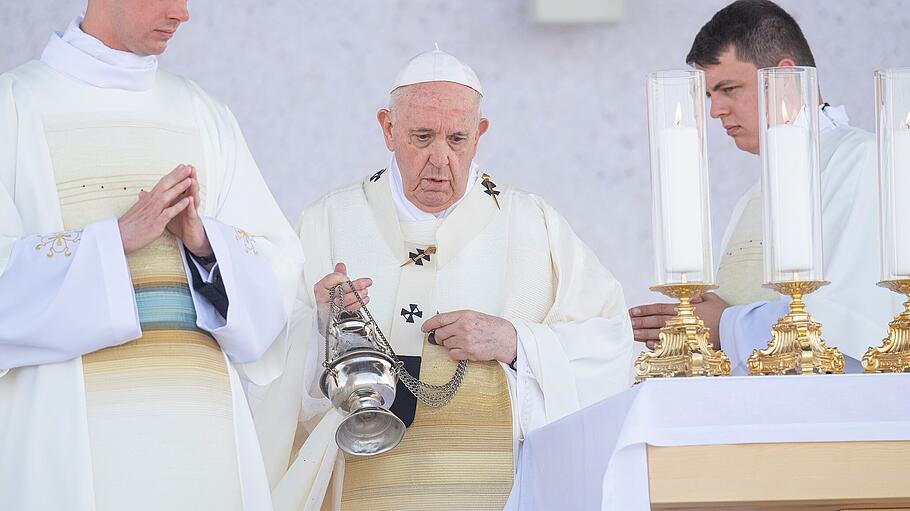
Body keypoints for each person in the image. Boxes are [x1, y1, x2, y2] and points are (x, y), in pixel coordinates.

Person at [257, 49, 634, 510]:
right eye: (422, 136)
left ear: (480, 134)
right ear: (387, 129)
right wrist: (317, 321)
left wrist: (517, 343)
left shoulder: (532, 223)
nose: (441, 160)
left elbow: (611, 343)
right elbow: (265, 359)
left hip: (498, 484)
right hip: (367, 487)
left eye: (458, 139)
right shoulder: (328, 222)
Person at [0, 1, 303, 509]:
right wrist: (113, 241)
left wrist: (206, 245)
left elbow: (279, 272)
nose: (182, 12)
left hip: (201, 444)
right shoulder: (14, 108)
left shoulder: (204, 115)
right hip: (66, 440)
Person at [629, 0, 899, 372]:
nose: (714, 111)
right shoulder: (755, 195)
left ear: (785, 78)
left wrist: (724, 326)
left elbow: (852, 317)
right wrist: (689, 327)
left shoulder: (859, 160)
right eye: (710, 96)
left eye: (728, 89)